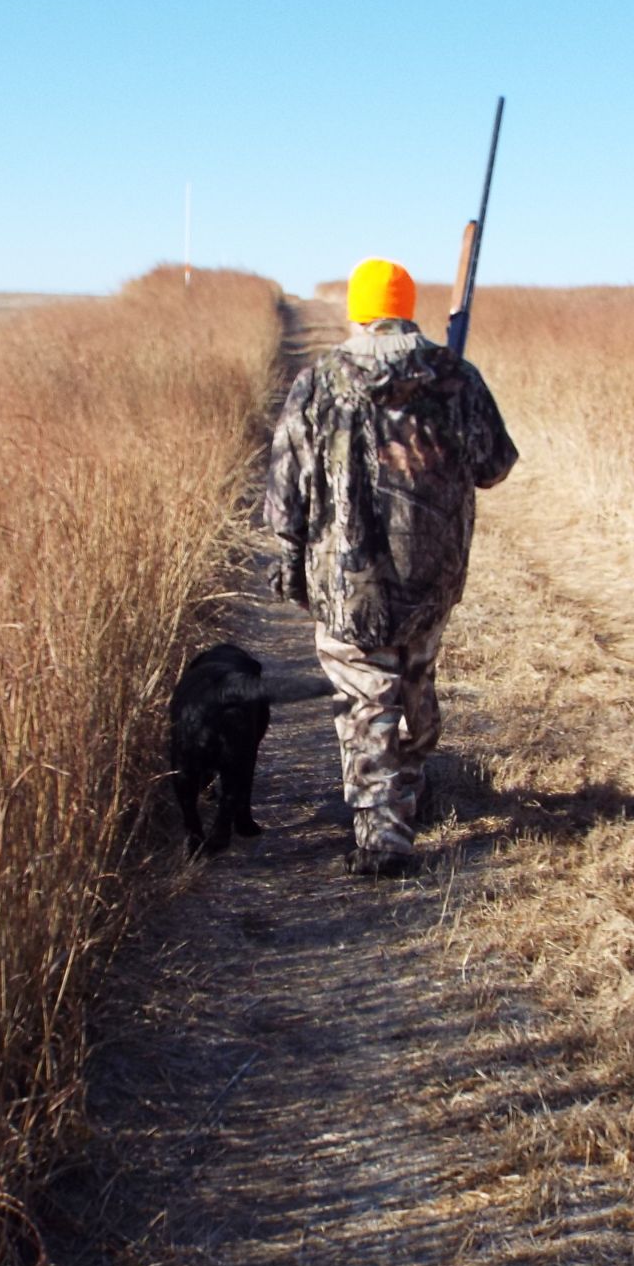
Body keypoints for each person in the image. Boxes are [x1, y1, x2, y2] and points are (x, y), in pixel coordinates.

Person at [265, 257, 519, 877]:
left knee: (365, 699)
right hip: (432, 576)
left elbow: (284, 490)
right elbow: (494, 466)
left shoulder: (319, 381)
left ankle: (383, 835)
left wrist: (290, 554)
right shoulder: (456, 376)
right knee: (412, 679)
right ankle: (408, 784)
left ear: (357, 311)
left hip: (346, 581)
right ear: (407, 309)